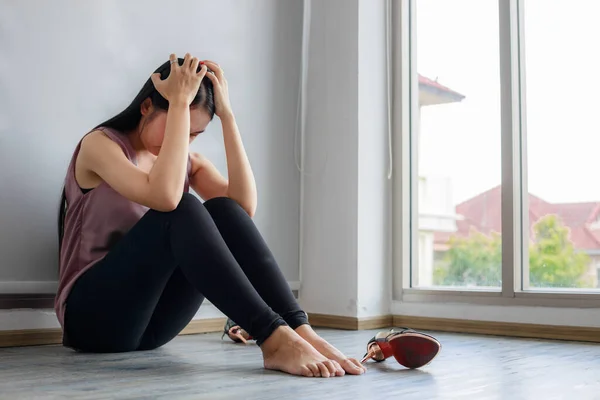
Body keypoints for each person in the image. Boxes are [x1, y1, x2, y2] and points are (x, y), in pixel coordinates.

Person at [56, 53, 366, 378]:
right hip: (91, 320)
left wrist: (228, 116)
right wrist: (179, 103)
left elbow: (241, 210)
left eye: (194, 134)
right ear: (147, 107)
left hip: (150, 328)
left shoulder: (186, 163)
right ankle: (272, 336)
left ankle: (299, 329)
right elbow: (165, 197)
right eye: (179, 125)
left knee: (221, 209)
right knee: (183, 208)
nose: (185, 140)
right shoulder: (100, 145)